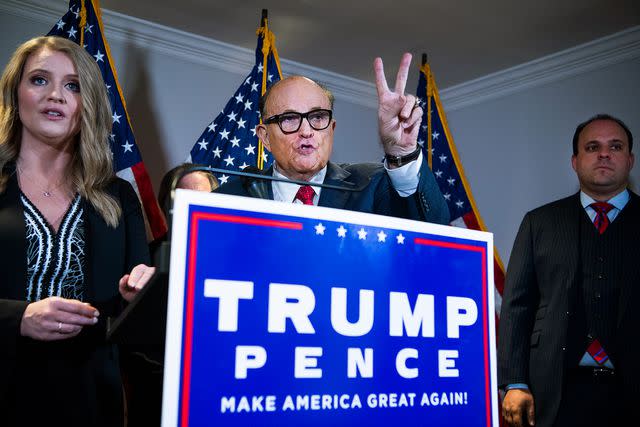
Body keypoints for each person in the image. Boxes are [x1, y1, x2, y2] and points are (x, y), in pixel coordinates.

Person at [0, 36, 155, 426]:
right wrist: (17, 318)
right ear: (15, 93)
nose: (56, 95)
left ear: (88, 105)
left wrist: (138, 296)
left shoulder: (118, 197)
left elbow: (138, 327)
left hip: (90, 402)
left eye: (73, 85)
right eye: (39, 80)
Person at [498, 114, 638, 427]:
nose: (604, 153)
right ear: (575, 161)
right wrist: (514, 382)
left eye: (615, 146)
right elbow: (517, 307)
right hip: (556, 392)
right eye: (592, 147)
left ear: (630, 160)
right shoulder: (539, 223)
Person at [216, 53, 450, 226]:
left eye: (318, 117)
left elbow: (434, 230)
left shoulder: (373, 184)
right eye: (289, 119)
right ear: (265, 137)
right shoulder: (228, 200)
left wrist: (402, 152)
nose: (307, 131)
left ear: (332, 128)